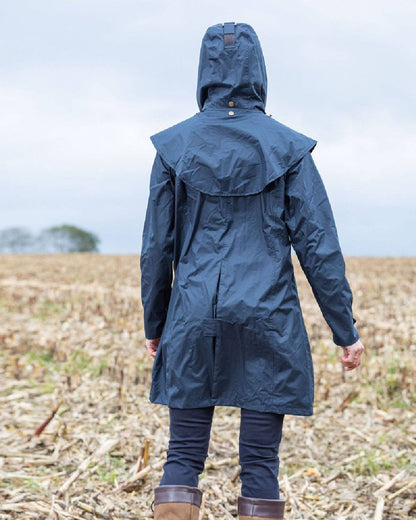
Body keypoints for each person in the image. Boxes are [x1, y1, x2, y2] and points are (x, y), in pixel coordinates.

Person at [140, 21, 364, 520]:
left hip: (193, 314)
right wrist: (344, 331)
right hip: (269, 317)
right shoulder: (289, 149)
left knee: (182, 458)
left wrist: (156, 324)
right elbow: (320, 248)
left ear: (203, 72)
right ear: (259, 71)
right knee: (261, 464)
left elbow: (157, 247)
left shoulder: (174, 148)